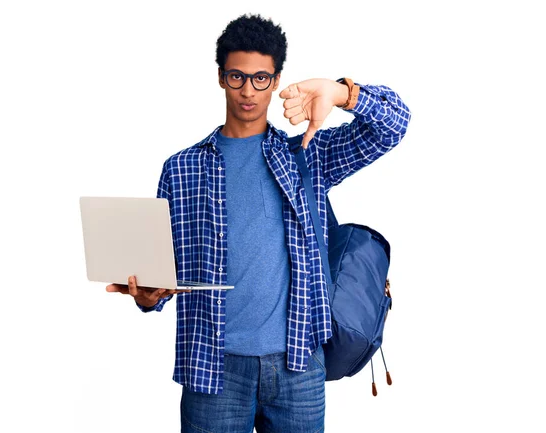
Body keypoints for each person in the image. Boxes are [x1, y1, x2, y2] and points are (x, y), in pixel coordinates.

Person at [106, 13, 410, 433]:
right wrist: (147, 296)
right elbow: (162, 276)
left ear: (277, 78)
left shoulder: (306, 153)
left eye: (261, 79)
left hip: (297, 366)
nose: (248, 91)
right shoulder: (182, 169)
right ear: (220, 77)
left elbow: (393, 126)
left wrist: (341, 93)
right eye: (237, 77)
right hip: (212, 368)